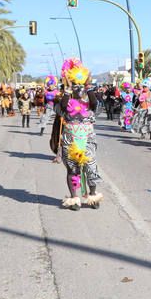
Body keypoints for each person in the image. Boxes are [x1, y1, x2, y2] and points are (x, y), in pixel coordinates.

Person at [51, 58, 102, 210]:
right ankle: (74, 198)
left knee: (91, 168)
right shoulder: (63, 103)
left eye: (81, 87)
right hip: (70, 140)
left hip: (88, 140)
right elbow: (63, 107)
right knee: (73, 170)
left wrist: (89, 86)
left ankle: (92, 196)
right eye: (75, 86)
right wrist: (67, 88)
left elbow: (94, 103)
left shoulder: (90, 104)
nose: (79, 89)